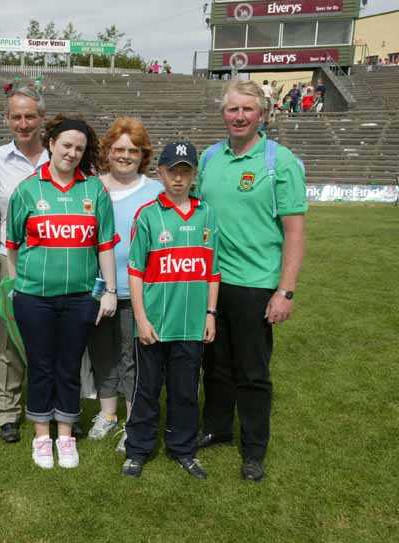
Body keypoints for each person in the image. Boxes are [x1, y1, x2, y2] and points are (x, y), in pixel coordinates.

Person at [197, 79, 307, 482]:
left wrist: (285, 290)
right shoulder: (210, 157)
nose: (239, 116)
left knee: (252, 371)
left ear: (262, 114)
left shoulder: (280, 162)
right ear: (223, 113)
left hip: (256, 283)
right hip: (209, 281)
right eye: (232, 109)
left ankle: (255, 448)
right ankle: (217, 427)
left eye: (247, 110)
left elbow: (294, 230)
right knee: (215, 364)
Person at [6, 114, 119, 469]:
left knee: (69, 366)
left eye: (79, 148)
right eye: (66, 145)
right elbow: (12, 246)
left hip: (81, 297)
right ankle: (42, 436)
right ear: (51, 144)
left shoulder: (94, 190)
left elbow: (104, 245)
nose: (71, 153)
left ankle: (66, 435)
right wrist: (18, 288)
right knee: (40, 365)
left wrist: (110, 291)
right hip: (34, 297)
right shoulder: (27, 189)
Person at [121, 141, 220, 480]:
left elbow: (212, 271)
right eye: (172, 171)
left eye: (186, 171)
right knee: (146, 390)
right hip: (154, 324)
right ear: (159, 172)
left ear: (194, 175)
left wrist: (210, 314)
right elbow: (135, 272)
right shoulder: (148, 215)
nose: (179, 178)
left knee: (185, 391)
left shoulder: (207, 214)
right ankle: (138, 449)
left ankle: (183, 448)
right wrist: (141, 318)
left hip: (191, 324)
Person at [86, 117, 162, 452]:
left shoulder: (156, 191)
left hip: (138, 289)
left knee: (132, 358)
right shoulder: (91, 186)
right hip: (98, 288)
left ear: (142, 154)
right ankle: (107, 414)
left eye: (133, 150)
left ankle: (134, 422)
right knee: (102, 354)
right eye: (118, 148)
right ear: (107, 150)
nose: (125, 155)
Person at [0, 83, 48, 443]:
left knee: (51, 335)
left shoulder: (60, 155)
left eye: (30, 116)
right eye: (16, 117)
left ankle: (50, 402)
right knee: (5, 336)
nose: (23, 123)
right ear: (7, 119)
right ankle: (6, 409)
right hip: (11, 257)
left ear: (42, 118)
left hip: (55, 258)